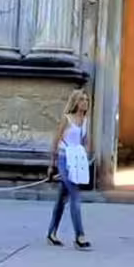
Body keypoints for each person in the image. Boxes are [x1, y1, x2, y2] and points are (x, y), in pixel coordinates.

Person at [45, 89, 92, 250]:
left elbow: (86, 142)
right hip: (64, 160)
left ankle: (51, 233)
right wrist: (52, 165)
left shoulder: (85, 121)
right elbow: (55, 140)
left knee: (61, 198)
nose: (85, 102)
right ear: (75, 102)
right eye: (82, 100)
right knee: (75, 194)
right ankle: (80, 235)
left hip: (76, 160)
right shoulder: (67, 119)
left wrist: (85, 154)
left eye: (86, 100)